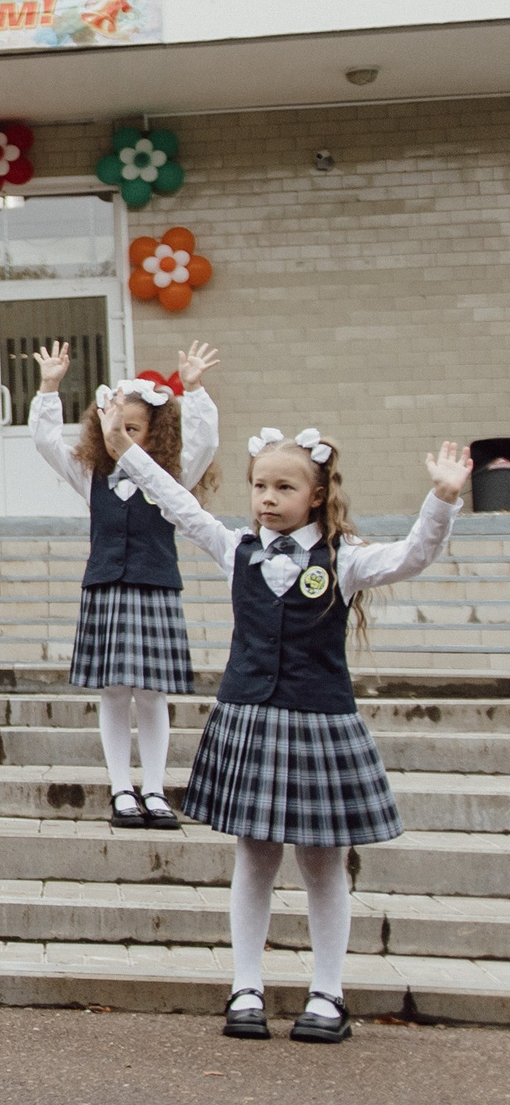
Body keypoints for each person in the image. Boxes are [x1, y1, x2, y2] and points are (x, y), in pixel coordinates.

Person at [111, 410, 466, 1044]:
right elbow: (178, 505)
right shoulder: (235, 547)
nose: (268, 500)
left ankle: (327, 995)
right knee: (253, 856)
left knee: (324, 863)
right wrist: (125, 452)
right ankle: (245, 987)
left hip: (319, 723)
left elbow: (413, 556)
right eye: (260, 487)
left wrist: (441, 499)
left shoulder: (345, 559)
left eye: (285, 488)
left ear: (318, 495)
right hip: (249, 717)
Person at [29, 340, 223, 829]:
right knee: (114, 693)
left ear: (155, 434)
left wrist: (194, 388)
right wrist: (50, 386)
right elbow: (47, 439)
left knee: (153, 693)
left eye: (134, 429)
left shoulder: (171, 475)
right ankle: (120, 789)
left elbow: (205, 440)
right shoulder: (91, 472)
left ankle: (155, 790)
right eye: (115, 428)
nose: (123, 438)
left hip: (155, 584)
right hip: (107, 586)